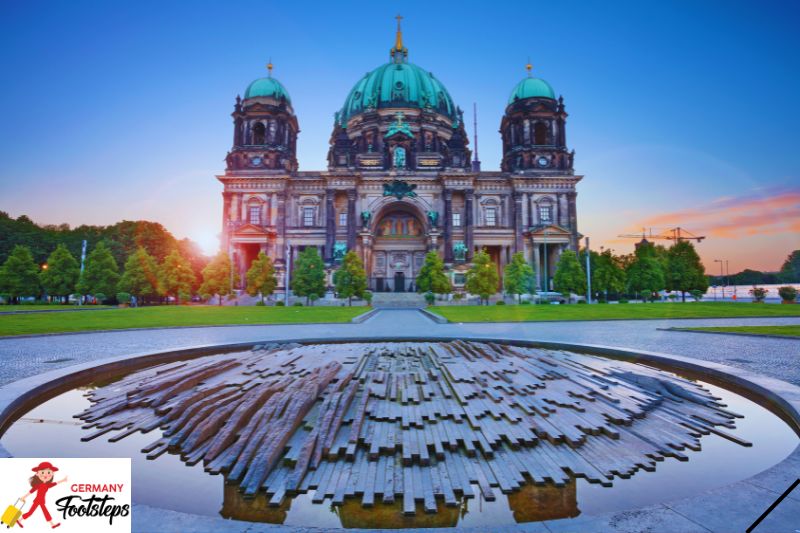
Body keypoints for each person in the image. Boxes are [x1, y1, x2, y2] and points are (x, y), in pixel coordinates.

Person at [16, 461, 67, 529]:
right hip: (38, 501)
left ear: (52, 474)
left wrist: (63, 480)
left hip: (41, 501)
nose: (45, 475)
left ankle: (52, 524)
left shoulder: (47, 485)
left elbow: (55, 483)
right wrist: (24, 497)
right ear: (37, 474)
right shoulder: (38, 485)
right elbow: (31, 491)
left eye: (49, 472)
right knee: (32, 512)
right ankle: (19, 520)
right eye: (42, 472)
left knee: (39, 512)